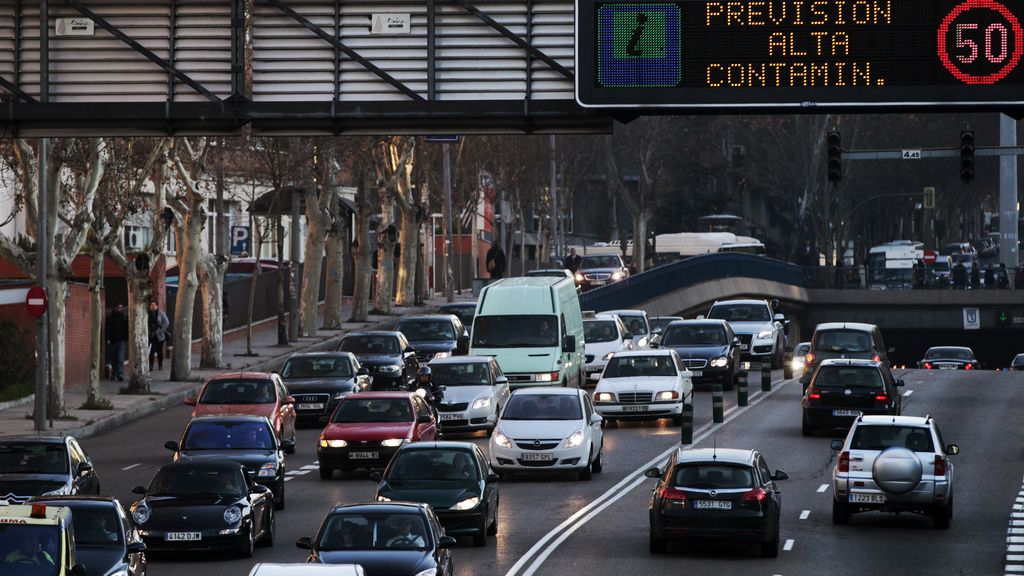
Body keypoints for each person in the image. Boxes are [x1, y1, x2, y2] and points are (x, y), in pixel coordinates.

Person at [105, 302, 129, 381]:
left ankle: (120, 373)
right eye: (118, 307)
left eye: (121, 307)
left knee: (120, 358)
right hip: (112, 340)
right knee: (113, 358)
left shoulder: (124, 317)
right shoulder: (110, 317)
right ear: (115, 308)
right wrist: (107, 338)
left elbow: (127, 329)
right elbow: (107, 329)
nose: (120, 309)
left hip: (121, 341)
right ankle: (114, 373)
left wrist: (125, 338)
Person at [148, 301, 170, 370]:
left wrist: (160, 331)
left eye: (154, 305)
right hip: (151, 336)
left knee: (159, 351)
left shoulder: (161, 314)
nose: (153, 306)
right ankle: (150, 366)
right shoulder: (147, 314)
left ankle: (160, 364)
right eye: (151, 304)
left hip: (159, 337)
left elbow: (166, 323)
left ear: (157, 306)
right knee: (151, 351)